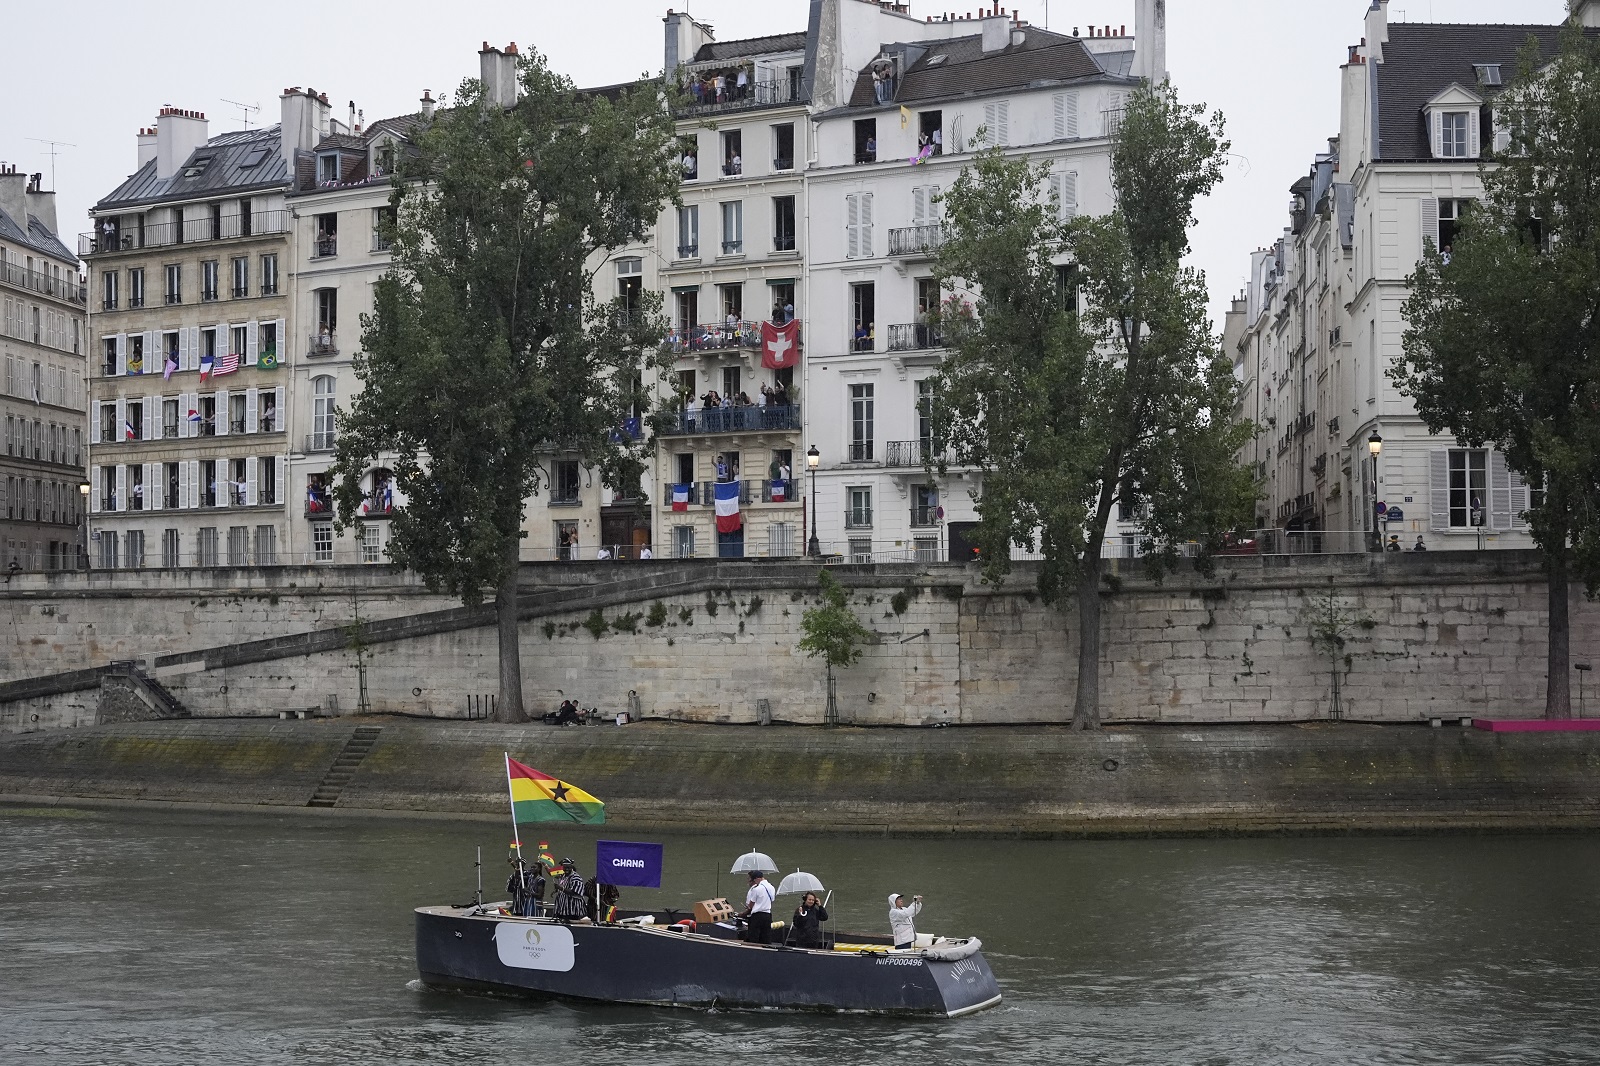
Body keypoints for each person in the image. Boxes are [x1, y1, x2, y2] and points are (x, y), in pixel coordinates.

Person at [739, 870, 776, 945]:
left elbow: (751, 905)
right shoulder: (772, 887)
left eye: (754, 880)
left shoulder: (757, 889)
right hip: (767, 915)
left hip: (757, 916)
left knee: (754, 937)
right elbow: (772, 899)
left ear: (757, 879)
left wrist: (743, 913)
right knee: (766, 937)